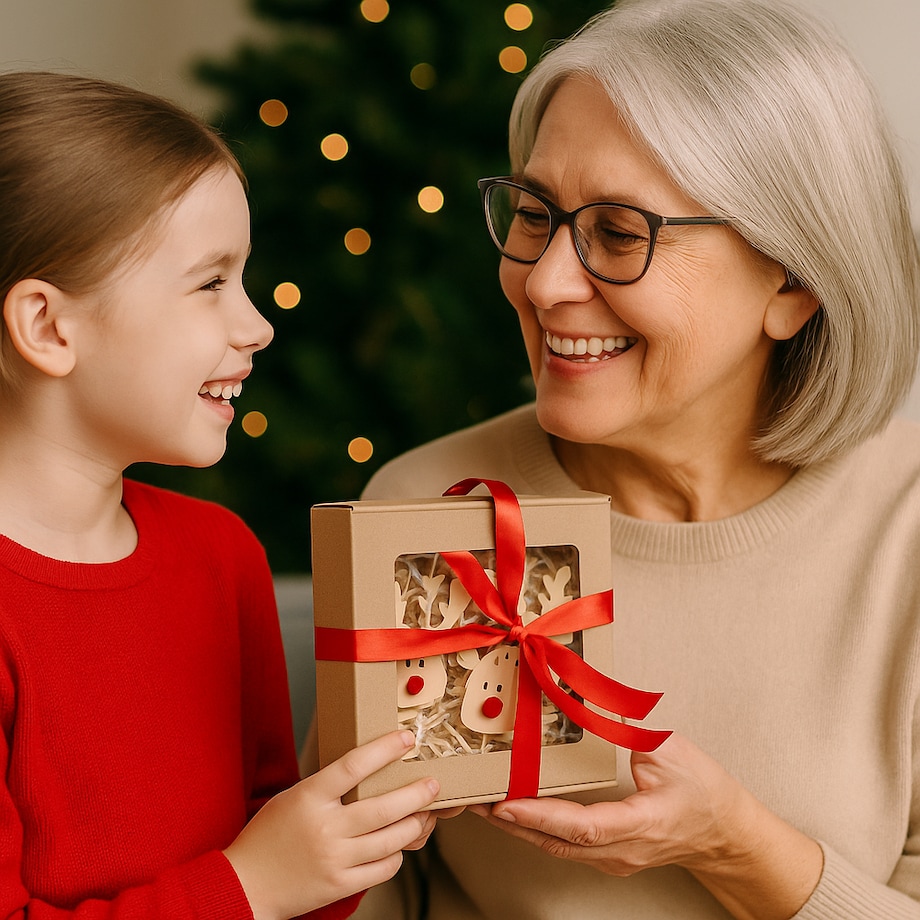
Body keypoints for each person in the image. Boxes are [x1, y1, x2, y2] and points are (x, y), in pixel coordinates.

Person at [354, 0, 920, 917]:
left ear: (795, 280)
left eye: (619, 233)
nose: (542, 283)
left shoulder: (906, 525)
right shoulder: (429, 506)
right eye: (535, 214)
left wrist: (738, 846)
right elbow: (364, 887)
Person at [0, 71, 441, 920]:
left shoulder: (220, 553)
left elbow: (281, 869)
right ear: (49, 327)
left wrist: (349, 836)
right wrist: (256, 882)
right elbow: (255, 885)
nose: (257, 324)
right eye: (210, 284)